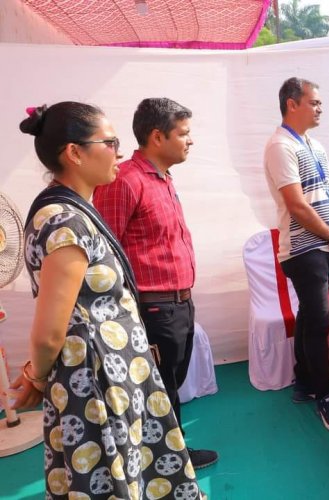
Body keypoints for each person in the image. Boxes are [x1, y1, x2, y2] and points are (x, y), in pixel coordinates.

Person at [13, 102, 202, 498]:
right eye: (110, 142)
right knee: (110, 475)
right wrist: (34, 375)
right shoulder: (64, 220)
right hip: (94, 384)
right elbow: (50, 332)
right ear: (75, 153)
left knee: (131, 470)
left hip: (111, 374)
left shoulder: (74, 210)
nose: (119, 151)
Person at [92, 98, 218, 469]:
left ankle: (168, 455)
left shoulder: (161, 177)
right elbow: (108, 252)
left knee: (169, 382)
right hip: (153, 305)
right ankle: (168, 463)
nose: (189, 141)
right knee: (157, 387)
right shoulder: (126, 181)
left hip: (178, 301)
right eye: (184, 133)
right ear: (157, 136)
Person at [263, 77, 329, 433]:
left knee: (310, 317)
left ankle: (304, 381)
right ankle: (324, 395)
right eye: (314, 103)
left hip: (325, 246)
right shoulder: (280, 146)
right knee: (318, 321)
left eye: (319, 103)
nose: (319, 108)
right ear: (292, 104)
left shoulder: (314, 145)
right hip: (304, 250)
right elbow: (297, 206)